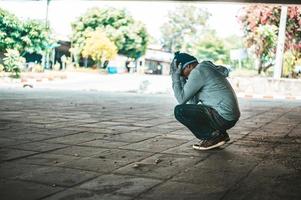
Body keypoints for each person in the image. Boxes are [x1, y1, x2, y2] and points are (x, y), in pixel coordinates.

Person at [170, 52, 240, 150]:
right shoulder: (205, 68)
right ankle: (220, 134)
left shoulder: (198, 72)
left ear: (189, 66)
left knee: (179, 111)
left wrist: (175, 78)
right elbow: (192, 102)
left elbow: (181, 100)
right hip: (229, 116)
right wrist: (182, 79)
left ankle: (213, 136)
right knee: (189, 110)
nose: (182, 76)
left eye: (181, 73)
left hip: (223, 116)